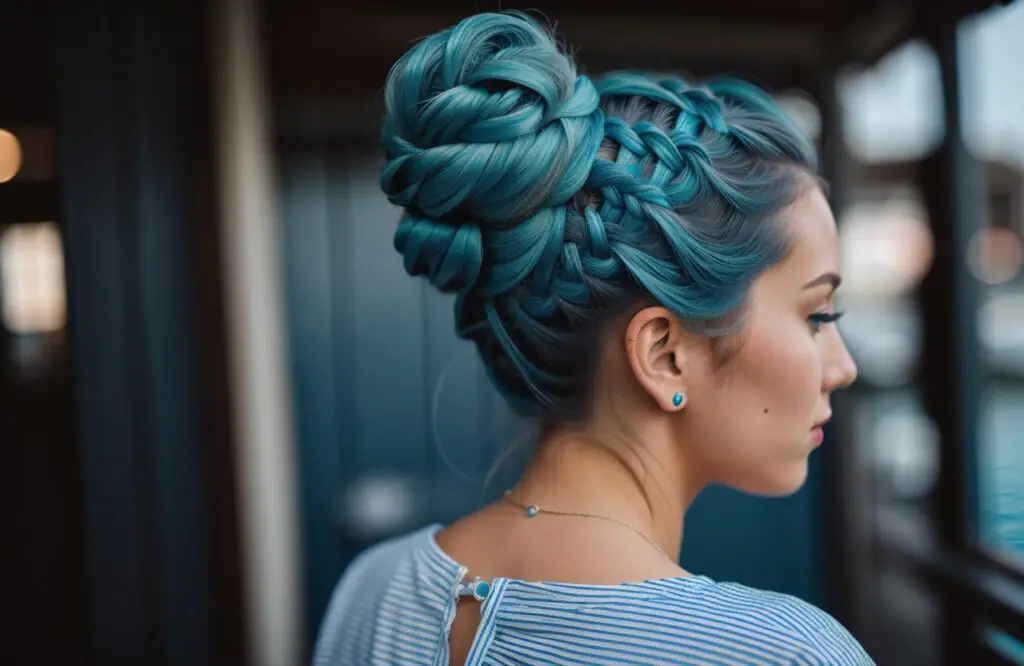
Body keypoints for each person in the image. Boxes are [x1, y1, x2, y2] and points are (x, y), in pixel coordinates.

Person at [313, 10, 870, 666]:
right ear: (665, 355)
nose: (845, 367)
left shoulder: (371, 591)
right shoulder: (785, 653)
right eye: (817, 316)